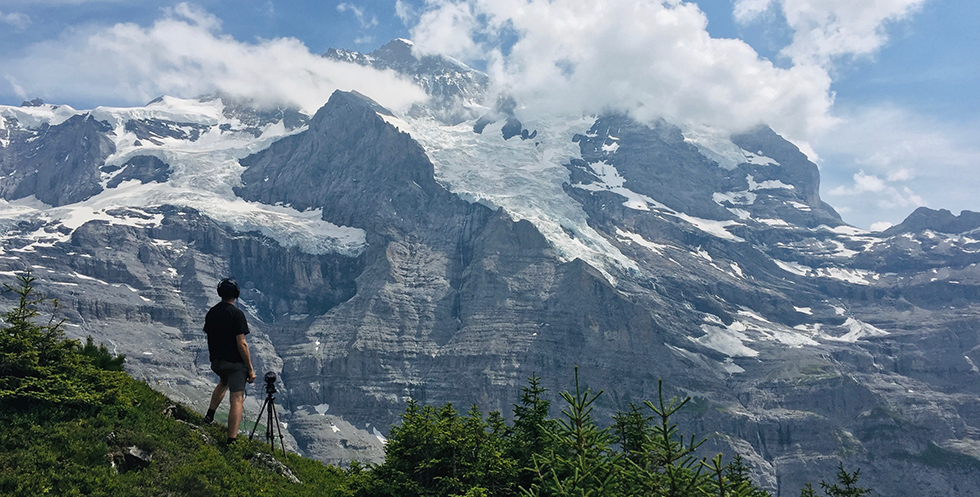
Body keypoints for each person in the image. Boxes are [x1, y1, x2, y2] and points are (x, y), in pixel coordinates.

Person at [202, 278, 256, 444]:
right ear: (236, 294)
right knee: (237, 398)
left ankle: (209, 416)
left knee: (223, 381)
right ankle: (231, 440)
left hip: (217, 362)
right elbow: (242, 344)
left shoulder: (211, 312)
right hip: (234, 364)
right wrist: (250, 368)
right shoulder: (237, 314)